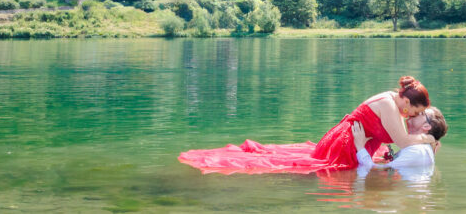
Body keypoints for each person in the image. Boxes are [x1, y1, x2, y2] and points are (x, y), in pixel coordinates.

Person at [177, 76, 436, 174]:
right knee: (324, 169)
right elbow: (402, 141)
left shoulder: (391, 100)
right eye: (415, 109)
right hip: (345, 144)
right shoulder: (391, 106)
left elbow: (394, 136)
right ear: (406, 99)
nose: (411, 115)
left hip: (343, 137)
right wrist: (427, 139)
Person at [353, 106, 447, 177]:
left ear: (426, 126)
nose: (415, 112)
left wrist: (360, 146)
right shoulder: (419, 148)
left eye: (421, 113)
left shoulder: (417, 151)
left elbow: (373, 169)